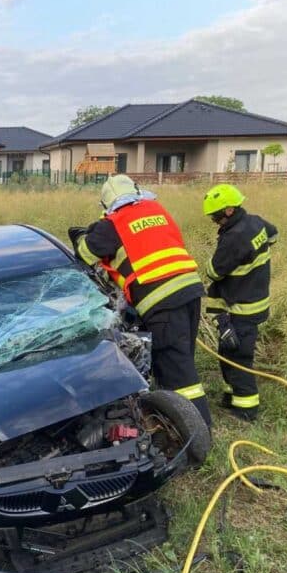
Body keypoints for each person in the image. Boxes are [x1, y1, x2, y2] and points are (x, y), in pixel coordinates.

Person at [70, 174, 212, 426]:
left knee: (179, 375)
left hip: (161, 302)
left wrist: (87, 234)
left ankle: (197, 436)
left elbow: (83, 254)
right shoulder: (155, 209)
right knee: (182, 359)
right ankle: (176, 419)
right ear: (135, 191)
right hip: (190, 291)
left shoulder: (112, 223)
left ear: (106, 204)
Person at [202, 183, 276, 421]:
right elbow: (274, 234)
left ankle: (246, 408)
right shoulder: (255, 222)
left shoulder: (234, 237)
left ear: (230, 210)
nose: (214, 220)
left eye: (216, 215)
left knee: (238, 356)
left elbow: (214, 272)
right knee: (228, 350)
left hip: (241, 308)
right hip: (255, 300)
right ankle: (230, 394)